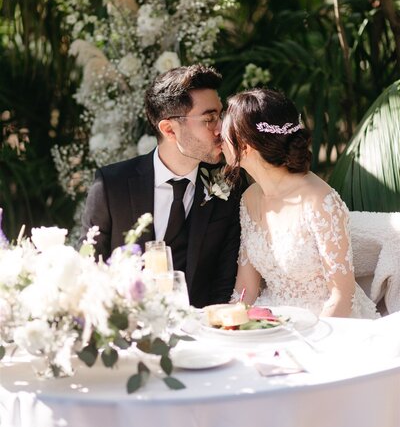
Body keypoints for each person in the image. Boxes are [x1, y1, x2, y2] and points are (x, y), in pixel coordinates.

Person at [80, 64, 243, 308]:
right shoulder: (111, 186)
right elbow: (90, 270)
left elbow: (224, 282)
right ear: (169, 129)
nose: (221, 129)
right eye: (209, 119)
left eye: (220, 116)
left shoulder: (230, 184)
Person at [221, 87, 379, 318]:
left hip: (327, 323)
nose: (218, 136)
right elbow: (247, 287)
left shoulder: (320, 202)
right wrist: (229, 321)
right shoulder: (249, 198)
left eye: (224, 131)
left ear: (245, 146)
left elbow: (342, 297)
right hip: (272, 320)